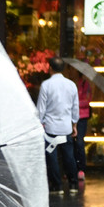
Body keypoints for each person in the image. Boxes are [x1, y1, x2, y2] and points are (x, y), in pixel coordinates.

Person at [36, 57, 79, 195]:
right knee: (69, 156)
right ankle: (73, 184)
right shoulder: (72, 85)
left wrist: (39, 122)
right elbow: (75, 107)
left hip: (50, 129)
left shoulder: (46, 85)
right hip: (66, 127)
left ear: (50, 68)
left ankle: (57, 185)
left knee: (52, 157)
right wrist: (74, 124)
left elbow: (41, 109)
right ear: (64, 69)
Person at [74, 73, 91, 180]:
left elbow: (88, 100)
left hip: (82, 116)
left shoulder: (86, 85)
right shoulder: (73, 84)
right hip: (73, 115)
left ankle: (81, 169)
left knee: (79, 142)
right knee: (72, 142)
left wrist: (76, 103)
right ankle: (73, 168)